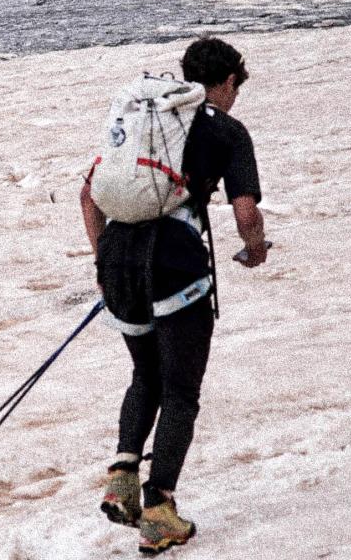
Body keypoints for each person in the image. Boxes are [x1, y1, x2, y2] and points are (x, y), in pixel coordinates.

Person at [80, 37, 267, 555]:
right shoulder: (227, 131)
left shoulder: (148, 114)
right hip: (173, 264)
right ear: (228, 82)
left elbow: (88, 194)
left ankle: (122, 478)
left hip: (117, 252)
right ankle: (159, 510)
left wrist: (102, 263)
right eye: (236, 88)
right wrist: (256, 249)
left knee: (146, 373)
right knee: (181, 390)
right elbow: (246, 213)